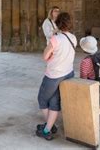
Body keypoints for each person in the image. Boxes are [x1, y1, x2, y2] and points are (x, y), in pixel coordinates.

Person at [36, 12, 76, 141]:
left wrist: (52, 54)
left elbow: (45, 56)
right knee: (54, 102)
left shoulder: (56, 39)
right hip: (68, 73)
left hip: (54, 75)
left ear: (58, 23)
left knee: (42, 99)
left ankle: (48, 128)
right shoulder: (73, 38)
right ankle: (49, 126)